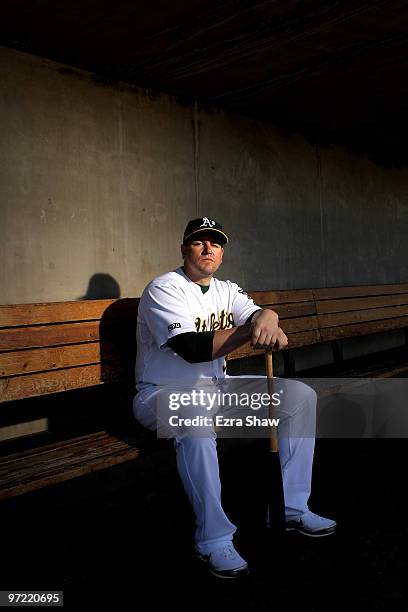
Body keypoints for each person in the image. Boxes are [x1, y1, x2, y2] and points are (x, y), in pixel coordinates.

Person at [133, 216, 336, 579]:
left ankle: (291, 507)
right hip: (162, 395)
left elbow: (257, 312)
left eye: (215, 242)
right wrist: (251, 329)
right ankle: (212, 537)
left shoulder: (227, 289)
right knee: (194, 419)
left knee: (301, 396)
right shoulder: (163, 288)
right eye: (199, 242)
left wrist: (268, 317)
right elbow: (192, 348)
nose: (208, 248)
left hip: (217, 390)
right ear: (185, 249)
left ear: (222, 253)